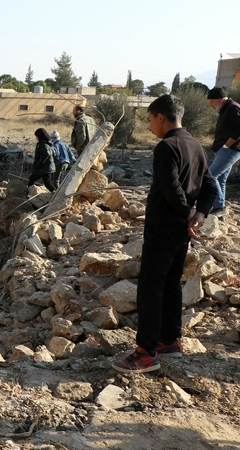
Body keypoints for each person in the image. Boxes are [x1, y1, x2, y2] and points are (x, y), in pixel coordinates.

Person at [112, 95, 217, 374]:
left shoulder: (166, 147)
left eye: (150, 120)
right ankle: (170, 341)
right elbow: (211, 187)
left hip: (163, 227)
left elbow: (172, 189)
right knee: (171, 283)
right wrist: (199, 214)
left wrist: (189, 214)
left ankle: (145, 353)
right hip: (182, 230)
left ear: (161, 117)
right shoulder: (195, 145)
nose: (149, 127)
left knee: (151, 286)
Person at [206, 87, 240, 217]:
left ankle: (220, 207)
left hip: (230, 150)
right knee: (220, 179)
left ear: (221, 99)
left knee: (210, 176)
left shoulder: (233, 107)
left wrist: (226, 146)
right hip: (227, 150)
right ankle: (218, 210)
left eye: (212, 102)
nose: (211, 105)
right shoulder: (226, 108)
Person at [28, 128, 57, 192]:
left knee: (32, 180)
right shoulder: (49, 144)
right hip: (47, 168)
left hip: (43, 168)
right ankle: (56, 193)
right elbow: (54, 154)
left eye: (37, 137)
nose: (36, 138)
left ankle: (28, 193)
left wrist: (39, 163)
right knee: (47, 183)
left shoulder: (43, 144)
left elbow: (46, 153)